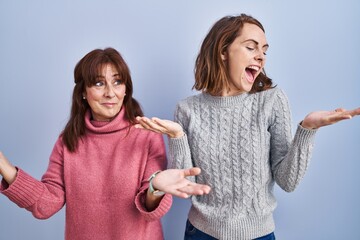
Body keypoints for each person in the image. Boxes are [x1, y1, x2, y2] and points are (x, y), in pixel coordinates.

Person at [135, 14, 360, 240]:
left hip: (259, 235)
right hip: (201, 233)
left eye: (264, 50)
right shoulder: (187, 110)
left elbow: (287, 181)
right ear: (223, 51)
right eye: (251, 47)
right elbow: (186, 187)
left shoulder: (272, 100)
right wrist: (177, 136)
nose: (261, 56)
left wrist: (307, 129)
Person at [0, 47, 210, 240]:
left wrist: (155, 188)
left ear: (126, 89)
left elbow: (151, 210)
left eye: (118, 82)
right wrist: (4, 165)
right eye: (99, 83)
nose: (110, 92)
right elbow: (46, 204)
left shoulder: (146, 135)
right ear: (83, 92)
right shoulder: (68, 141)